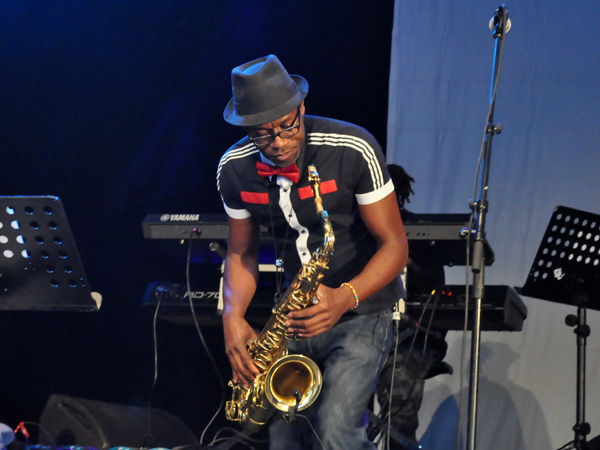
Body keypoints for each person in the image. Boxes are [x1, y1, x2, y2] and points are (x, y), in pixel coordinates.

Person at [216, 54, 409, 450]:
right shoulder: (233, 169)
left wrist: (344, 297)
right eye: (263, 134)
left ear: (301, 107)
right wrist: (232, 316)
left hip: (363, 311)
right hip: (293, 318)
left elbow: (396, 245)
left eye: (288, 126)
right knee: (287, 439)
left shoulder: (353, 148)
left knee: (337, 430)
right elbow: (240, 253)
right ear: (247, 128)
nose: (280, 142)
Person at [372, 164, 449, 449]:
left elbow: (435, 293)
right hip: (356, 331)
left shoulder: (420, 232)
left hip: (407, 338)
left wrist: (404, 262)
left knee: (399, 409)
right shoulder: (349, 233)